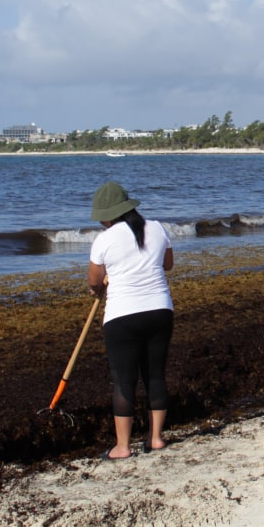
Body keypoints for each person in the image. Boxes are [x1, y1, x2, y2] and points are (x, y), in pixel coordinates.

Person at [87, 181, 174, 460]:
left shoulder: (103, 240)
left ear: (110, 215)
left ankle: (123, 447)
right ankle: (156, 438)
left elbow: (94, 282)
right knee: (155, 375)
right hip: (160, 310)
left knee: (124, 381)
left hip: (122, 315)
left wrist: (97, 288)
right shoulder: (158, 228)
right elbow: (167, 264)